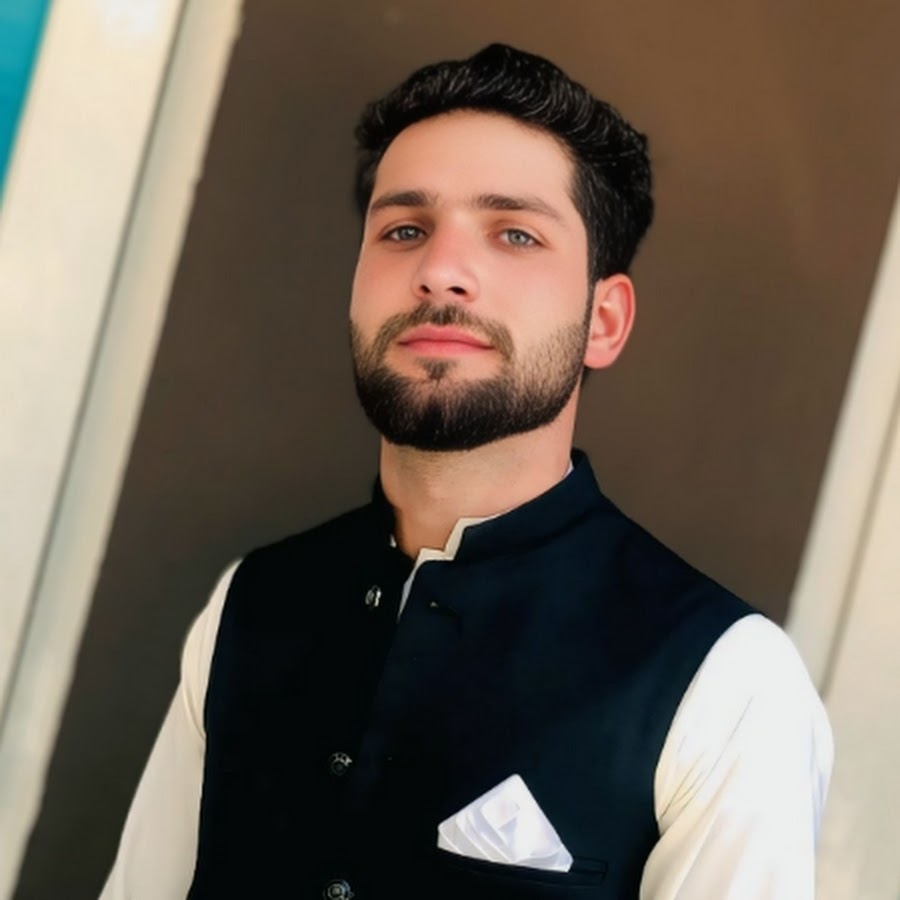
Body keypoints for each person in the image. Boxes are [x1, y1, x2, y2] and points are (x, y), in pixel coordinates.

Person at [101, 43, 832, 899]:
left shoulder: (730, 683)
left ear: (603, 320)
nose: (439, 272)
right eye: (404, 230)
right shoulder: (249, 603)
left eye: (515, 234)